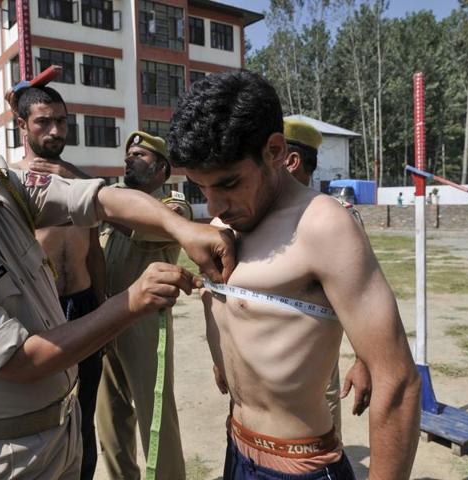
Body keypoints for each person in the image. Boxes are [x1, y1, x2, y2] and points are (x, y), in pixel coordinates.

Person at [0, 67, 234, 480]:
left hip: (62, 429)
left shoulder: (2, 188)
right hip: (6, 458)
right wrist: (130, 302)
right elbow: (24, 360)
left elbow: (98, 199)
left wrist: (182, 228)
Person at [167, 71, 420, 480]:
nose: (215, 203)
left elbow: (399, 382)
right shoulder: (223, 223)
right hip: (237, 449)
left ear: (275, 150)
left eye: (228, 183)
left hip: (300, 466)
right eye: (200, 187)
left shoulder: (323, 226)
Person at [14, 85, 105, 480]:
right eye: (43, 122)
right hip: (42, 312)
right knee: (43, 416)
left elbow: (95, 251)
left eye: (62, 121)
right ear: (22, 127)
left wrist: (104, 309)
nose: (55, 131)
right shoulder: (10, 182)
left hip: (84, 305)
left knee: (86, 412)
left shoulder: (79, 180)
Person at [95, 131, 189, 480]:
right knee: (110, 419)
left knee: (156, 417)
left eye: (140, 155)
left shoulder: (173, 207)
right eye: (128, 154)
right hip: (106, 319)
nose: (129, 159)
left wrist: (96, 204)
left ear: (162, 169)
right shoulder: (114, 203)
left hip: (145, 326)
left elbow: (143, 224)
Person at [282, 119, 372, 438]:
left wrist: (364, 359)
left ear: (290, 161)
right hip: (264, 371)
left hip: (317, 360)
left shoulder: (336, 219)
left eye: (267, 153)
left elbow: (362, 298)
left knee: (323, 420)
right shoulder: (254, 217)